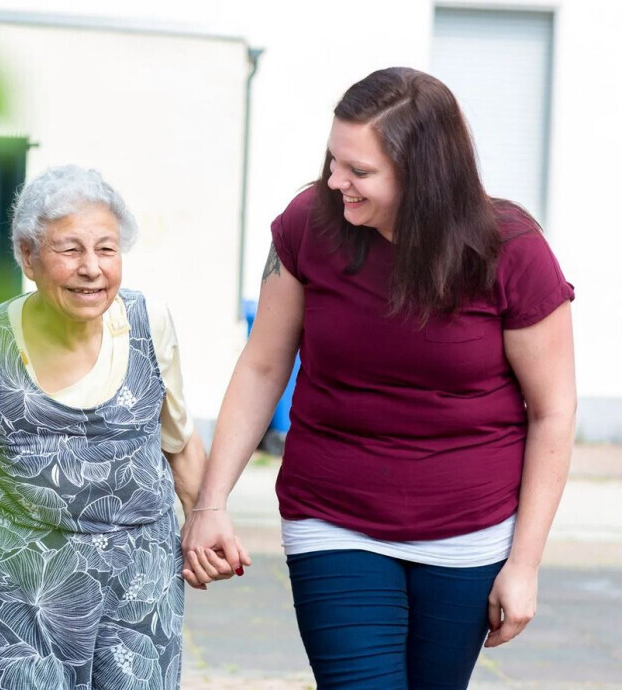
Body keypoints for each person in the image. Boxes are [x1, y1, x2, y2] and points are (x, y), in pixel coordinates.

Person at [181, 66, 576, 689]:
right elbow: (262, 365)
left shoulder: (512, 250)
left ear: (424, 173)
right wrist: (210, 502)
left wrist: (524, 565)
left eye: (359, 171)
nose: (336, 181)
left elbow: (553, 410)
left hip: (469, 533)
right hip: (332, 517)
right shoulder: (308, 225)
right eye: (333, 160)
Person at [0, 164, 205, 690]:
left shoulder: (150, 325)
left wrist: (207, 518)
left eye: (106, 249)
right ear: (28, 257)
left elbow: (178, 443)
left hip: (140, 587)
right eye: (70, 249)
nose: (92, 268)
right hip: (19, 591)